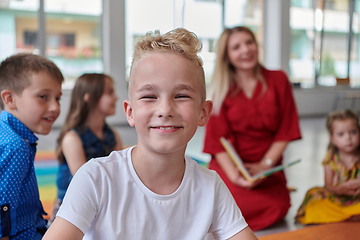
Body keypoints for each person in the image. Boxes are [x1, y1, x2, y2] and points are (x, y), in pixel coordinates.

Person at [43, 28, 258, 240]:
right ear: (130, 112)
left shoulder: (211, 187)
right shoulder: (95, 178)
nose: (165, 110)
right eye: (149, 96)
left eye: (181, 95)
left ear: (203, 113)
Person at [203, 26, 301, 231]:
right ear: (227, 56)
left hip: (267, 166)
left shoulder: (278, 79)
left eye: (249, 42)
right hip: (230, 167)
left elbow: (286, 129)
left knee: (278, 206)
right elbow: (217, 141)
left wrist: (265, 165)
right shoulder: (221, 89)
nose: (246, 50)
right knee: (225, 204)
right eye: (236, 47)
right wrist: (236, 177)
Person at [0, 53, 63, 240]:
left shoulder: (7, 132)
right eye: (43, 96)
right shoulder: (15, 146)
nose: (55, 107)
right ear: (10, 99)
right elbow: (3, 208)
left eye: (58, 98)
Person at [49, 73, 123, 223]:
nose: (116, 97)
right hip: (72, 210)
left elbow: (122, 173)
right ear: (89, 98)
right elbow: (86, 184)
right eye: (109, 92)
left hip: (103, 205)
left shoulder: (112, 135)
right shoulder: (72, 139)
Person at [295, 109, 360, 224]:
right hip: (337, 200)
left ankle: (346, 216)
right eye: (341, 134)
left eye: (353, 132)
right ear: (332, 139)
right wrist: (339, 190)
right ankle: (349, 216)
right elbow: (328, 186)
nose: (348, 138)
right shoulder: (330, 159)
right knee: (313, 196)